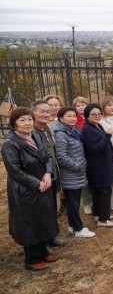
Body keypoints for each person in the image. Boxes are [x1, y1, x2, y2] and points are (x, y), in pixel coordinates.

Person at [1, 107, 59, 271]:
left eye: (29, 119)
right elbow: (15, 171)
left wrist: (48, 174)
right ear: (14, 124)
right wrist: (36, 183)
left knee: (42, 218)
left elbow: (47, 157)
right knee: (30, 222)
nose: (27, 123)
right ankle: (31, 259)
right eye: (22, 120)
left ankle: (43, 251)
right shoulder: (10, 145)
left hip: (43, 184)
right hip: (25, 190)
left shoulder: (35, 136)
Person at [53, 107, 98, 235]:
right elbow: (61, 157)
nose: (72, 118)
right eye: (69, 116)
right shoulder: (61, 134)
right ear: (61, 118)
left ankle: (72, 226)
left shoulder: (74, 131)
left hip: (77, 173)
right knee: (73, 203)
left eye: (74, 116)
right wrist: (77, 166)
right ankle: (78, 229)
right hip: (71, 173)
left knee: (74, 202)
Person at [32, 101, 66, 247]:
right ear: (33, 112)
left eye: (48, 111)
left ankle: (52, 236)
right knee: (43, 210)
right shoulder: (32, 132)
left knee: (52, 206)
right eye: (42, 111)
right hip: (40, 177)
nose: (46, 114)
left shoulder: (46, 128)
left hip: (52, 173)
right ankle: (43, 241)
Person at [82, 104, 113, 228]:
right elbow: (94, 148)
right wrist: (107, 136)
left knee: (98, 191)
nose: (97, 116)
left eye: (98, 114)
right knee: (104, 191)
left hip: (102, 165)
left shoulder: (97, 126)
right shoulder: (87, 130)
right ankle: (103, 219)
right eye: (93, 114)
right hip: (98, 167)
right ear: (87, 116)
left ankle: (99, 214)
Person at [72, 96, 92, 215]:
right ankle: (86, 202)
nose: (81, 107)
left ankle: (93, 200)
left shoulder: (91, 117)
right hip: (81, 152)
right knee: (84, 179)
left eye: (83, 104)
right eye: (78, 105)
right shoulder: (74, 120)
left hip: (92, 152)